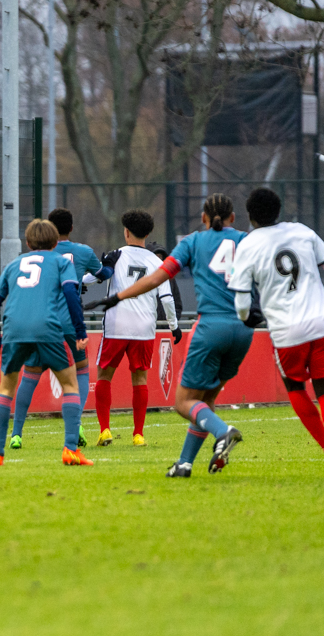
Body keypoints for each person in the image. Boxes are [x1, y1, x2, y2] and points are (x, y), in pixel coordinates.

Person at [86, 194, 255, 476]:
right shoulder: (248, 241)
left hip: (209, 325)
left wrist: (116, 297)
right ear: (234, 218)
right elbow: (165, 294)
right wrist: (174, 325)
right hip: (244, 328)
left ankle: (223, 432)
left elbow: (158, 279)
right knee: (202, 401)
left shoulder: (191, 242)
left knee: (184, 401)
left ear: (202, 218)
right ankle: (183, 462)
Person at [227, 187, 324, 481]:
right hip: (321, 325)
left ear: (250, 216)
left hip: (286, 333)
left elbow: (242, 300)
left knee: (295, 389)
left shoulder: (247, 244)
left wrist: (248, 318)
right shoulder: (303, 232)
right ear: (279, 210)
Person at [0, 219, 93, 466]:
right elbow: (70, 293)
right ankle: (70, 449)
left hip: (14, 329)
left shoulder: (14, 264)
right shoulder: (61, 262)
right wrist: (80, 331)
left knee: (6, 389)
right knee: (69, 384)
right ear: (56, 243)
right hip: (47, 327)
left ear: (27, 242)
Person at [9, 208, 118, 449]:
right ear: (71, 228)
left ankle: (16, 433)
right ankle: (76, 422)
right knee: (80, 372)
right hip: (70, 320)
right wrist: (109, 262)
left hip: (41, 320)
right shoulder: (82, 252)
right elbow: (104, 274)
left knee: (30, 375)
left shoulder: (36, 255)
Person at [87, 210, 180, 447]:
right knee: (140, 378)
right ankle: (138, 434)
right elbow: (167, 299)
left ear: (126, 232)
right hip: (144, 328)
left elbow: (95, 276)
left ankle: (105, 430)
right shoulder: (157, 262)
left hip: (117, 324)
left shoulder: (115, 255)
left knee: (104, 375)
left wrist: (75, 280)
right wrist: (174, 326)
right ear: (147, 234)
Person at [147, 241, 184, 323]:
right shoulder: (141, 278)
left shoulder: (170, 279)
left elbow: (177, 305)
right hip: (147, 329)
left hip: (166, 330)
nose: (157, 260)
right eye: (154, 257)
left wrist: (170, 323)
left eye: (160, 257)